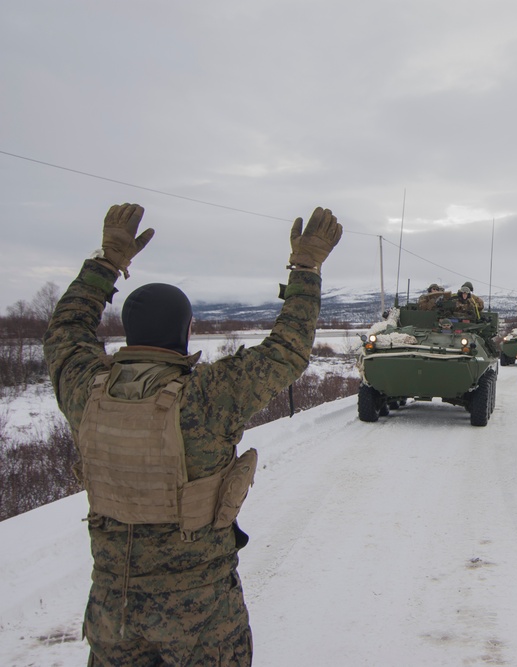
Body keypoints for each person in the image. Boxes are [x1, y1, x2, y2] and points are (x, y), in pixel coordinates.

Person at [43, 202, 342, 665]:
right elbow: (287, 349)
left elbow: (65, 328)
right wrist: (306, 267)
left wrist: (107, 261)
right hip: (201, 618)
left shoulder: (85, 391)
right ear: (186, 332)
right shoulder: (207, 396)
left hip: (111, 609)